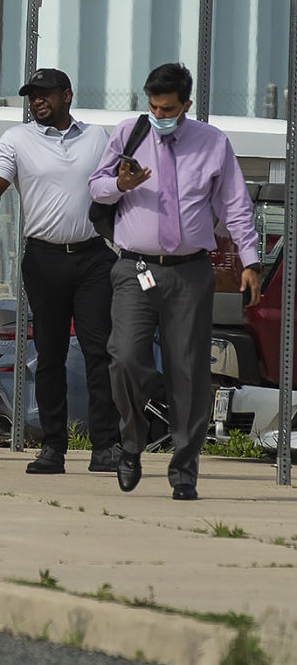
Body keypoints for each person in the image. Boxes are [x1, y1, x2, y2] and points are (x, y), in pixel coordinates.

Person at [87, 63, 264, 501]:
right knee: (125, 356)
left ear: (186, 104)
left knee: (189, 372)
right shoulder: (130, 133)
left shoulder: (212, 143)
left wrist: (250, 259)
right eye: (152, 105)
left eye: (167, 107)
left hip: (189, 271)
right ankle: (132, 440)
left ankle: (184, 470)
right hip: (136, 268)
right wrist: (119, 184)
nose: (159, 113)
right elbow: (95, 188)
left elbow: (236, 204)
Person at [0, 68, 121, 475]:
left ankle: (105, 447)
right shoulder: (17, 139)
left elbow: (114, 186)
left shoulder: (97, 137)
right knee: (50, 354)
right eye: (31, 96)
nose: (37, 101)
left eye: (45, 94)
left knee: (99, 352)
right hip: (44, 260)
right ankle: (53, 448)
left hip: (93, 258)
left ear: (67, 95)